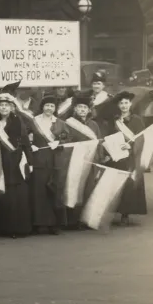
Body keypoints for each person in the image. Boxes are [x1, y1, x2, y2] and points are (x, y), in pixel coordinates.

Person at [98, 91, 147, 226]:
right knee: (115, 183)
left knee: (128, 185)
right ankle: (113, 211)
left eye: (126, 103)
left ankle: (125, 214)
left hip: (130, 157)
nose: (124, 106)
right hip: (116, 156)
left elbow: (141, 138)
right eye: (121, 103)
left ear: (130, 104)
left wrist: (130, 145)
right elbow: (107, 136)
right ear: (118, 105)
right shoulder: (114, 120)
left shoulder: (137, 120)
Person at [0, 88, 34, 238]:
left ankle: (18, 227)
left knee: (16, 196)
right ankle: (4, 227)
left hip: (15, 161)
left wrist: (30, 161)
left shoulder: (17, 121)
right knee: (4, 195)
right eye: (1, 105)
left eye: (6, 105)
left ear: (11, 107)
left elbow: (26, 143)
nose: (3, 108)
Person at [28, 95, 71, 234]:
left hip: (55, 160)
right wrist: (30, 146)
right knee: (39, 192)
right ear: (42, 107)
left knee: (55, 192)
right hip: (39, 160)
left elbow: (67, 138)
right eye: (47, 105)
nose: (49, 108)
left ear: (55, 108)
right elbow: (26, 137)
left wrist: (59, 143)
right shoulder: (33, 122)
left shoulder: (60, 123)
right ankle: (40, 223)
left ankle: (55, 224)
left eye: (52, 106)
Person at [63, 91, 103, 229]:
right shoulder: (68, 123)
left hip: (90, 161)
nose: (82, 110)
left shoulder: (94, 125)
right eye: (80, 107)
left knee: (88, 189)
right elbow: (65, 142)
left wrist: (99, 159)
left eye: (85, 108)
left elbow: (99, 142)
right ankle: (71, 220)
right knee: (72, 189)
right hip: (74, 161)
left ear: (89, 110)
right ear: (74, 109)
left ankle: (84, 219)